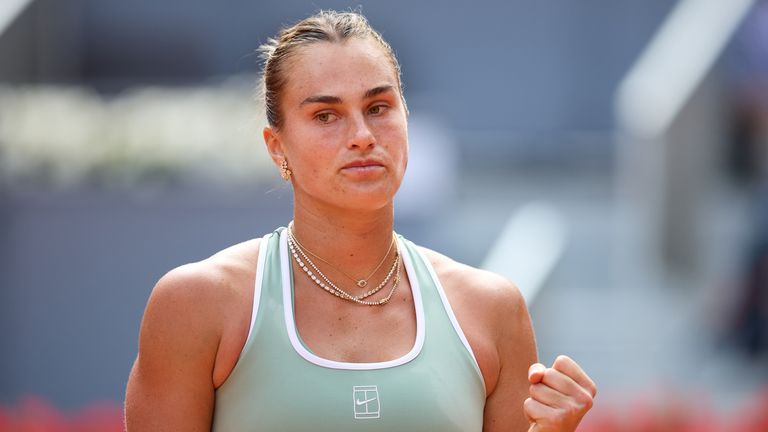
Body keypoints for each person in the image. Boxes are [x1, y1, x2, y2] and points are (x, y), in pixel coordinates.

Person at [124, 10, 596, 432]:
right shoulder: (195, 304)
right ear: (276, 146)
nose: (363, 136)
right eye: (326, 115)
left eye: (378, 108)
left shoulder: (493, 309)